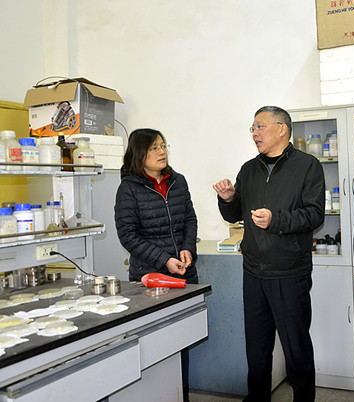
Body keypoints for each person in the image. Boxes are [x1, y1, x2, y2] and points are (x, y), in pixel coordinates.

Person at [213, 106, 325, 402]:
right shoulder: (249, 169)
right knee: (257, 349)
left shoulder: (308, 166)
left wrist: (277, 220)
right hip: (254, 272)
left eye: (260, 126)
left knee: (296, 349)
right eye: (252, 128)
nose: (255, 133)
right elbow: (235, 214)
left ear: (282, 129)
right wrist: (228, 199)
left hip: (289, 271)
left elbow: (314, 214)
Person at [114, 128, 198, 401]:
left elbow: (190, 219)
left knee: (182, 338)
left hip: (183, 273)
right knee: (155, 341)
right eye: (154, 148)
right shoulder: (128, 189)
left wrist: (187, 248)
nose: (162, 152)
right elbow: (128, 235)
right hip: (150, 278)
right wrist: (164, 260)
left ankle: (181, 395)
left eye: (163, 146)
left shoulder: (178, 181)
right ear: (139, 154)